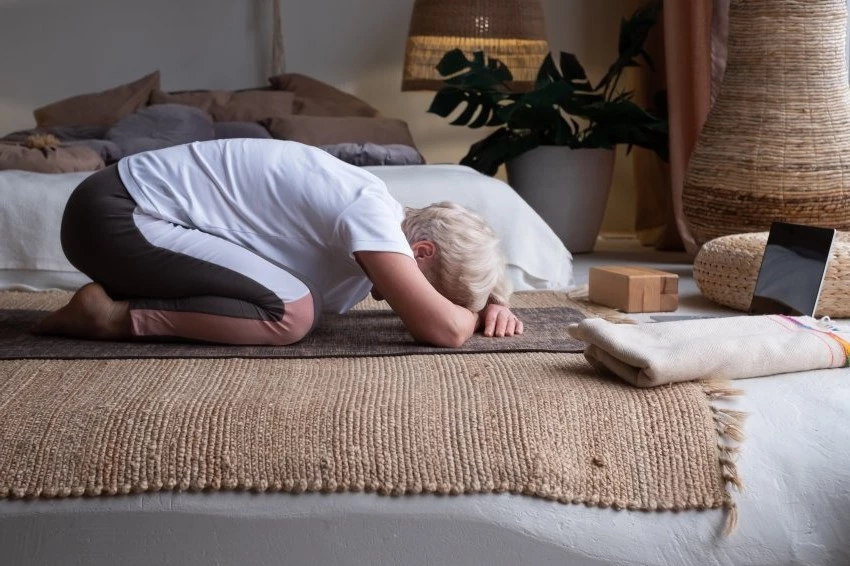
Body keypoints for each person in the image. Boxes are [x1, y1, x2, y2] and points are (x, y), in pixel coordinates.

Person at [34, 138, 523, 348]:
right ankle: (109, 318)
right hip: (116, 213)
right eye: (434, 288)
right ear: (420, 253)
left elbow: (448, 303)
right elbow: (442, 330)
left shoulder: (378, 231)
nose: (409, 302)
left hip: (131, 220)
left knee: (281, 298)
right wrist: (459, 316)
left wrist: (490, 302)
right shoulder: (371, 211)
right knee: (292, 311)